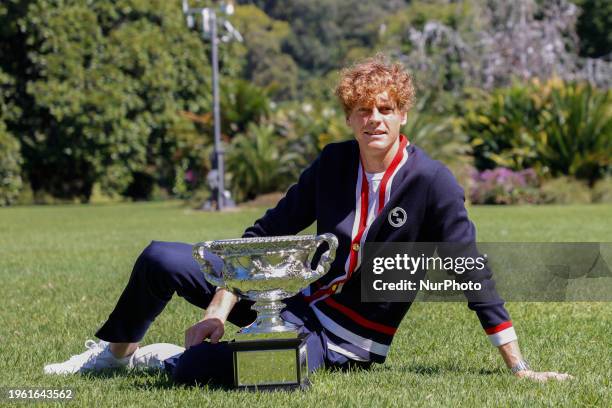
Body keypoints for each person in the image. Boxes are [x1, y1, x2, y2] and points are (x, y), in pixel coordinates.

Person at [44, 56, 572, 384]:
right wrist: (218, 311)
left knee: (198, 371)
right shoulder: (333, 163)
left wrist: (519, 367)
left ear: (403, 114)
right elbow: (262, 235)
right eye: (363, 110)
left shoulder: (433, 182)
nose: (374, 120)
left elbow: (469, 271)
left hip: (343, 341)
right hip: (286, 301)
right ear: (349, 117)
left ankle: (164, 360)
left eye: (385, 108)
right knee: (161, 255)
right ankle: (113, 357)